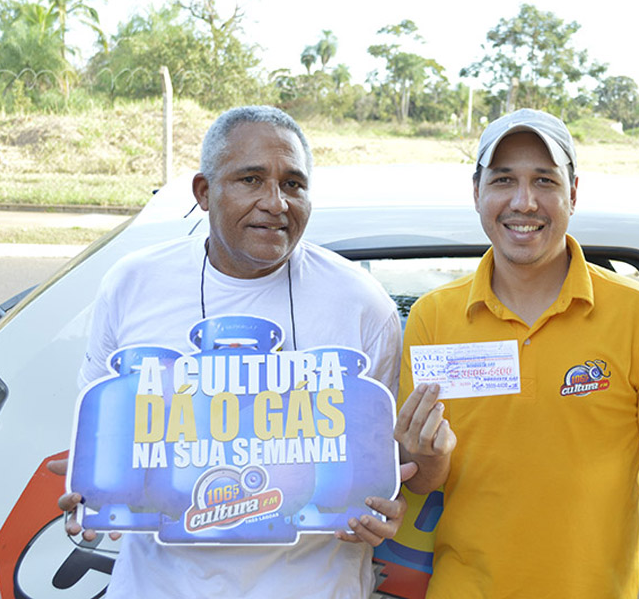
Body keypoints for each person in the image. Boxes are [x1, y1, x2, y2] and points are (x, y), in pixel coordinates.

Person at [54, 105, 410, 598]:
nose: (276, 203)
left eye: (293, 184)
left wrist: (384, 508)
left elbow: (382, 463)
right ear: (204, 192)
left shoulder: (361, 303)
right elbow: (105, 439)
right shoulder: (134, 283)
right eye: (250, 180)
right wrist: (90, 486)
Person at [394, 108, 639, 598]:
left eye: (544, 180)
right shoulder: (433, 318)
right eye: (504, 180)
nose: (524, 203)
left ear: (572, 193)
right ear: (477, 191)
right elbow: (423, 481)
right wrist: (420, 458)